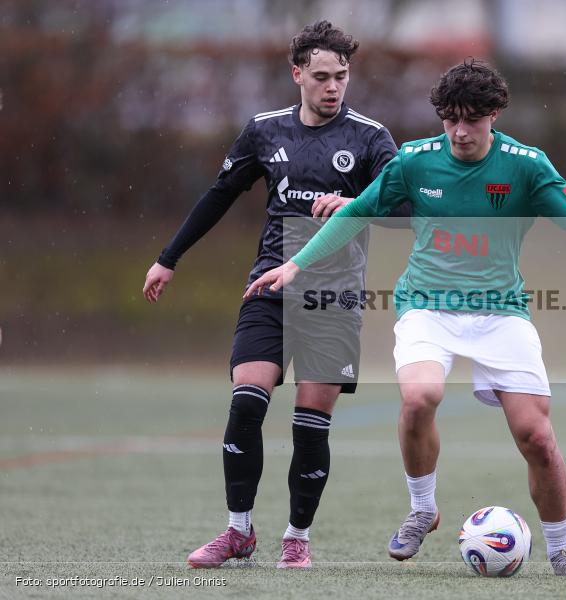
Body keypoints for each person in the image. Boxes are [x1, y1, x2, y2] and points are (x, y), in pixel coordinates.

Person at [244, 59, 566, 576]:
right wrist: (294, 265)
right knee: (420, 395)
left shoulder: (526, 164)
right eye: (449, 119)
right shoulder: (414, 161)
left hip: (501, 313)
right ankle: (422, 508)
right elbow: (355, 213)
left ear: (494, 115)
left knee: (536, 437)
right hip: (426, 306)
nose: (458, 131)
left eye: (471, 119)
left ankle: (562, 550)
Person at [142, 20, 406, 569]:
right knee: (246, 402)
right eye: (322, 76)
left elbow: (404, 208)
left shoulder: (371, 138)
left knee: (310, 422)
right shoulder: (264, 131)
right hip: (270, 283)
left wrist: (354, 205)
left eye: (342, 76)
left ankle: (297, 538)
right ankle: (238, 531)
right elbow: (219, 196)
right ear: (297, 75)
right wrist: (169, 257)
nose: (334, 86)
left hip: (334, 296)